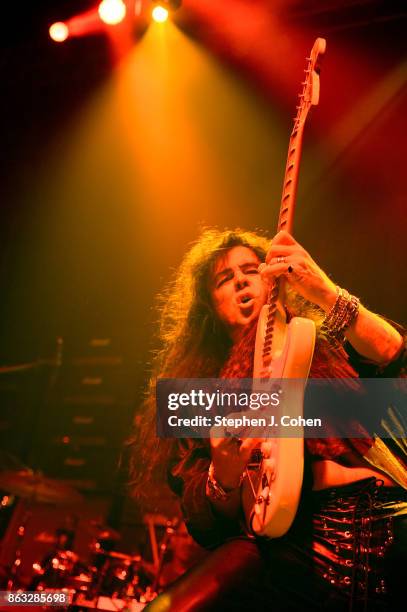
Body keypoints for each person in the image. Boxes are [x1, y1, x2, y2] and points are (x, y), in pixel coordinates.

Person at [129, 228, 406, 611]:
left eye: (250, 269)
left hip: (392, 517)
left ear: (271, 276)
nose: (241, 279)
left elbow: (393, 356)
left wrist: (325, 291)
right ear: (210, 305)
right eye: (224, 279)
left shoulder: (322, 341)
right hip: (291, 543)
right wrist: (223, 477)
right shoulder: (196, 395)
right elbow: (204, 524)